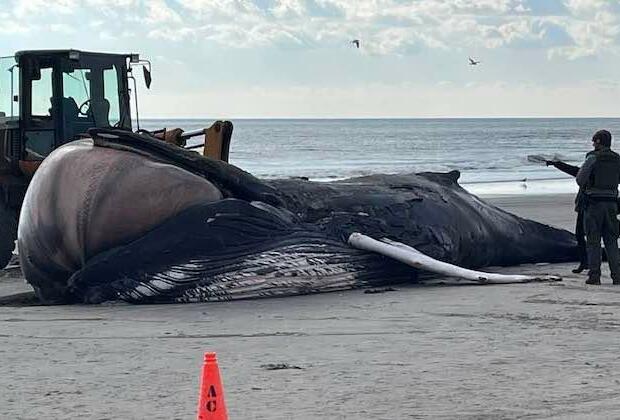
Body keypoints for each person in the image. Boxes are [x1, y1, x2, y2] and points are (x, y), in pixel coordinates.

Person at [576, 129, 620, 285]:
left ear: (599, 141)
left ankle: (594, 276)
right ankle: (617, 276)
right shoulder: (617, 159)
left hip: (594, 204)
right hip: (612, 204)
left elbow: (580, 179)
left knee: (593, 241)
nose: (593, 143)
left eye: (594, 141)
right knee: (612, 241)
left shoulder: (592, 157)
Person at [546, 157, 591, 273]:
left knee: (581, 235)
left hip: (587, 204)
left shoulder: (593, 160)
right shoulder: (614, 161)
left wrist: (557, 164)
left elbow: (577, 173)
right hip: (609, 202)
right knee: (608, 234)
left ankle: (585, 262)